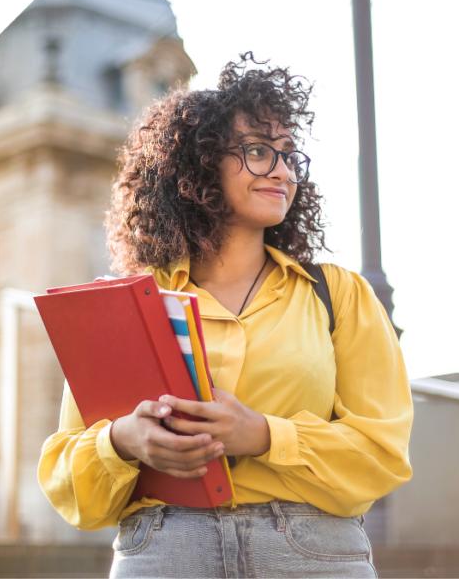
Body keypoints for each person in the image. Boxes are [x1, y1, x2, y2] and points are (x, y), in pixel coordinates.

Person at [38, 53, 413, 578]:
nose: (282, 170)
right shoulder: (124, 305)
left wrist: (262, 435)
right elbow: (69, 480)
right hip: (166, 550)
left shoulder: (338, 295)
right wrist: (123, 440)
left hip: (313, 554)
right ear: (200, 164)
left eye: (289, 155)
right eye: (258, 151)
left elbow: (383, 453)